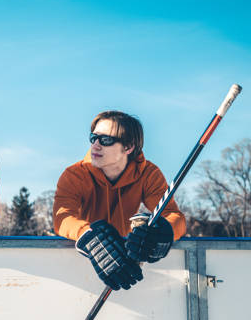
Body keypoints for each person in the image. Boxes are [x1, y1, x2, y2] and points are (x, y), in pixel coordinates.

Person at [53, 110, 186, 291]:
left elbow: (173, 215)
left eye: (106, 140)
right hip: (79, 268)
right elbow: (62, 218)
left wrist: (163, 232)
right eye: (94, 138)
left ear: (128, 147)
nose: (96, 145)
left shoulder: (148, 174)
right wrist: (89, 235)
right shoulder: (74, 175)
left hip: (127, 265)